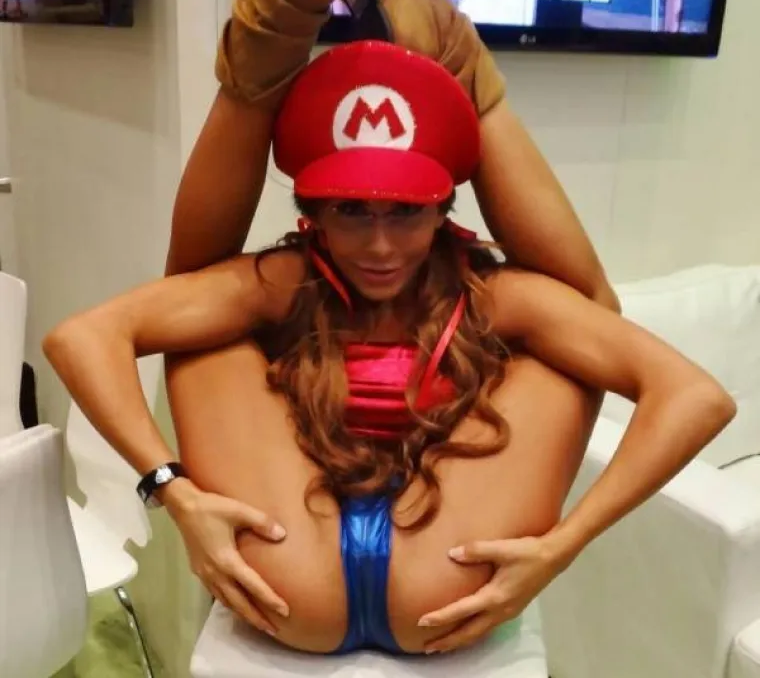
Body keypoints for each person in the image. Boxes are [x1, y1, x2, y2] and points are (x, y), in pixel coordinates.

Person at [45, 36, 736, 657]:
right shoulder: (284, 281)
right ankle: (269, 34)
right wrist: (174, 493)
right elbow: (81, 337)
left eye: (405, 213)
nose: (379, 247)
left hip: (434, 582)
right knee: (199, 330)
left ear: (442, 211)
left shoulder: (497, 296)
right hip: (299, 573)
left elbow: (697, 397)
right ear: (312, 216)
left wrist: (562, 547)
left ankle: (354, 49)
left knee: (571, 345)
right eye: (351, 212)